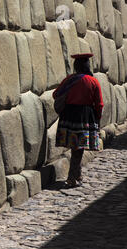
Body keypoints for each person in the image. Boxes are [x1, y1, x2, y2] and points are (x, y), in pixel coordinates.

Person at [53, 53, 104, 188]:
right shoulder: (93, 81)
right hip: (84, 117)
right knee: (78, 147)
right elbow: (99, 103)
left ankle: (77, 174)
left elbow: (56, 94)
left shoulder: (69, 80)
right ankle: (72, 177)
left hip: (69, 116)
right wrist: (97, 118)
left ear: (76, 66)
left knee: (75, 147)